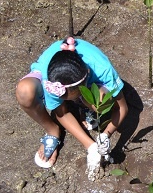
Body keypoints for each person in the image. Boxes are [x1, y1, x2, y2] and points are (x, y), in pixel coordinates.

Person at [15, 37, 128, 180]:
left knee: (99, 100)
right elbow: (61, 112)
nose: (69, 102)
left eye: (75, 99)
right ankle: (52, 130)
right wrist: (91, 147)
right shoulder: (52, 81)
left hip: (90, 81)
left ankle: (87, 106)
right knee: (25, 91)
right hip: (57, 72)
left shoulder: (103, 70)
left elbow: (122, 108)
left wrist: (106, 134)